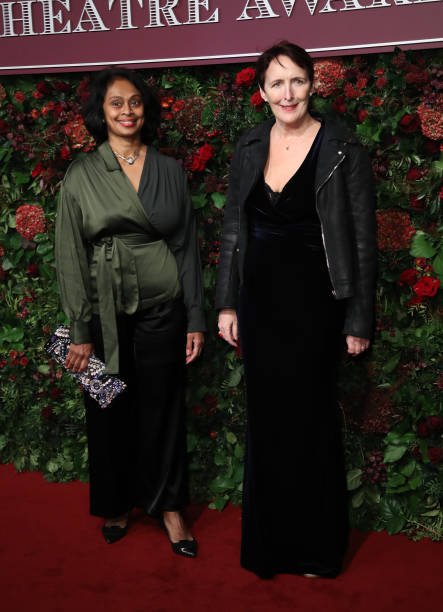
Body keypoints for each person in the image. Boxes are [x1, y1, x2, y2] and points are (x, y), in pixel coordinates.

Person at [216, 42, 376, 578]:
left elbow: (361, 240)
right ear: (262, 92)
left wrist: (358, 319)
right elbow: (234, 229)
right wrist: (227, 303)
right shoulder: (249, 145)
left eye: (297, 81)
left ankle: (315, 549)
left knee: (310, 425)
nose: (288, 93)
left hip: (315, 306)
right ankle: (269, 549)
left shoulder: (342, 147)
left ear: (313, 85)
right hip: (259, 304)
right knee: (267, 424)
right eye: (276, 83)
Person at [55, 67, 205, 557]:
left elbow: (186, 248)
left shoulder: (168, 170)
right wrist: (79, 329)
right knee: (108, 408)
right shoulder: (81, 173)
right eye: (116, 103)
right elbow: (70, 255)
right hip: (102, 313)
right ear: (101, 112)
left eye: (135, 102)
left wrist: (196, 316)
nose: (127, 111)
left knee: (163, 409)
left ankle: (169, 507)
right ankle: (117, 503)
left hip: (164, 307)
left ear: (146, 109)